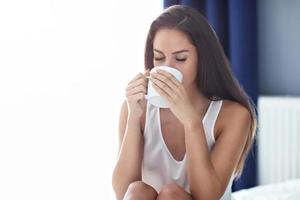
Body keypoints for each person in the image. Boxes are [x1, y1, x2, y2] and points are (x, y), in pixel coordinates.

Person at [112, 4, 257, 200]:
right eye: (159, 57)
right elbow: (123, 192)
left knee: (172, 195)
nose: (167, 68)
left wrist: (192, 122)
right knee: (138, 190)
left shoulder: (234, 116)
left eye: (181, 58)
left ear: (203, 59)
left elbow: (207, 196)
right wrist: (133, 118)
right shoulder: (137, 107)